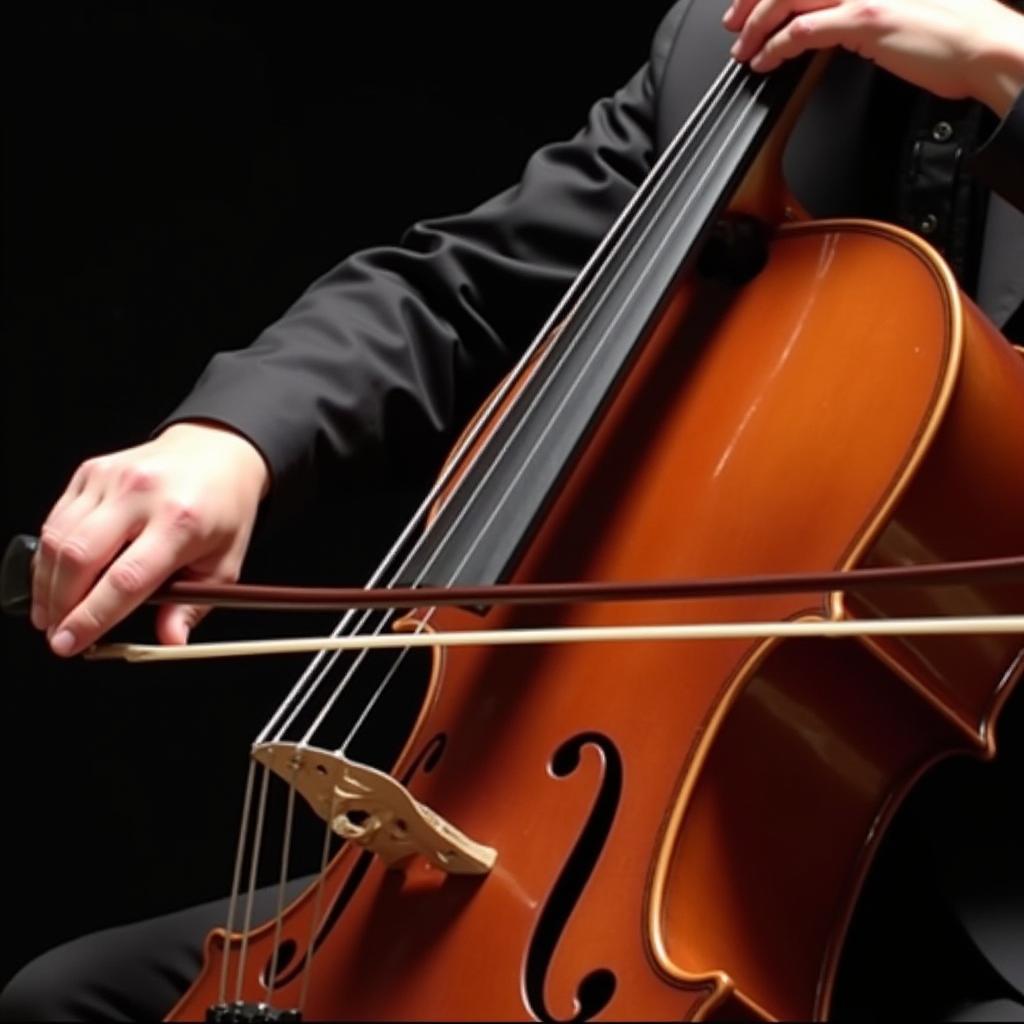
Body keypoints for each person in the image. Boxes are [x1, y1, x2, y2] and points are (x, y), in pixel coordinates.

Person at [4, 0, 1024, 1019]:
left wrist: (1006, 71)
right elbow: (461, 290)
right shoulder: (732, 48)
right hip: (633, 850)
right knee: (72, 1002)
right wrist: (231, 443)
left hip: (971, 911)